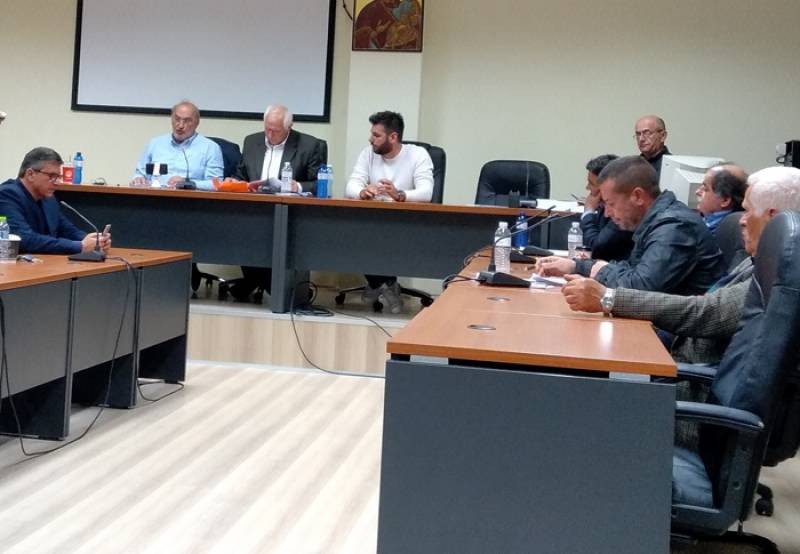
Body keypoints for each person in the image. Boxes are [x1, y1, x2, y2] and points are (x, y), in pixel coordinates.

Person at [560, 165, 800, 364]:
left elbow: (706, 312)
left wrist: (608, 297)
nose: (741, 221)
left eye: (747, 211)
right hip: (677, 347)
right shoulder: (756, 260)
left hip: (689, 375)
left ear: (773, 217)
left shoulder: (779, 272)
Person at [539, 156, 723, 295]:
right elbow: (632, 269)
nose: (607, 213)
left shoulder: (674, 226)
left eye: (611, 204)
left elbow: (641, 288)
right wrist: (576, 266)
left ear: (637, 196)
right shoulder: (654, 221)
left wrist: (598, 269)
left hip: (674, 332)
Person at [231, 105, 327, 302]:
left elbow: (320, 184)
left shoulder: (310, 146)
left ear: (289, 127)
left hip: (289, 213)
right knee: (238, 229)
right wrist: (235, 182)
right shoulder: (252, 141)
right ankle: (264, 282)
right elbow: (241, 175)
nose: (269, 134)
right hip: (252, 210)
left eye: (275, 130)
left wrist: (297, 186)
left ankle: (267, 285)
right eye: (267, 128)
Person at [345, 110, 434, 313]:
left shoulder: (418, 155)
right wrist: (362, 192)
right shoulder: (368, 154)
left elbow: (426, 193)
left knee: (375, 237)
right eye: (372, 134)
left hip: (407, 222)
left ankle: (377, 284)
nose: (371, 139)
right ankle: (387, 285)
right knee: (353, 233)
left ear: (393, 137)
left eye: (376, 135)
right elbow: (351, 186)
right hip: (372, 219)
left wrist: (399, 194)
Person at [0, 147, 111, 254]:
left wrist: (95, 241)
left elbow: (67, 230)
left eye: (58, 177)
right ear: (30, 174)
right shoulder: (7, 195)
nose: (57, 182)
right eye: (52, 176)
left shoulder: (48, 199)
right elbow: (24, 239)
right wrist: (80, 246)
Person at [131, 100, 223, 190]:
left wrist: (188, 183)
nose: (180, 125)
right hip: (155, 196)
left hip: (189, 197)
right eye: (177, 119)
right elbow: (140, 173)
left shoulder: (210, 148)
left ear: (196, 123)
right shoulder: (155, 144)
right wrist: (138, 179)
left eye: (187, 121)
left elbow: (216, 184)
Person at [579, 154, 634, 261]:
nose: (587, 188)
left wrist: (588, 211)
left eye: (591, 184)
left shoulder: (622, 213)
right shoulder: (603, 206)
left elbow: (596, 248)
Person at [695, 163, 748, 234]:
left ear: (725, 200)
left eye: (705, 189)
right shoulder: (706, 220)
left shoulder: (721, 234)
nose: (697, 192)